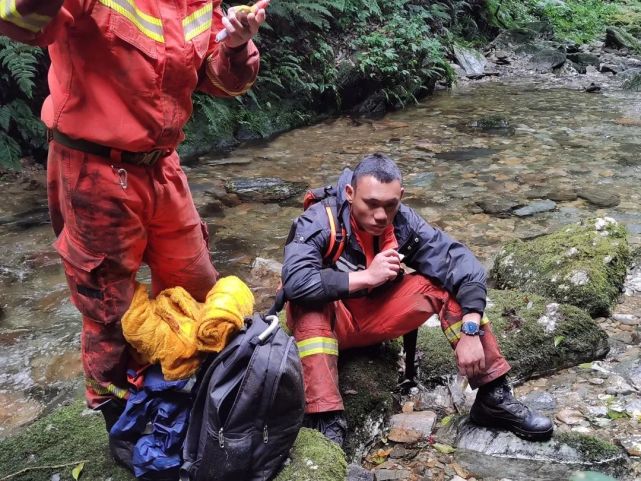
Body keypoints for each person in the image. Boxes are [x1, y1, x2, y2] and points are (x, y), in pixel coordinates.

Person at [1, 0, 267, 429]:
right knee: (109, 306)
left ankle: (186, 388)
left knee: (197, 284)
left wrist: (236, 46)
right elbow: (17, 19)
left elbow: (218, 80)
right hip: (93, 168)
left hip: (161, 165)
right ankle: (116, 413)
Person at [281, 153, 554, 446]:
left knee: (444, 286)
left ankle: (493, 396)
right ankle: (326, 420)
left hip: (375, 318)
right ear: (350, 194)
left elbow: (461, 264)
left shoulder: (404, 222)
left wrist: (471, 329)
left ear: (401, 196)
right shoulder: (320, 221)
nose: (381, 215)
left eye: (389, 204)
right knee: (308, 304)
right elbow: (295, 282)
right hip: (329, 324)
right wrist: (367, 277)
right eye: (370, 204)